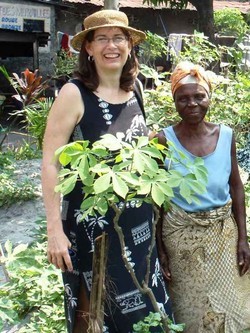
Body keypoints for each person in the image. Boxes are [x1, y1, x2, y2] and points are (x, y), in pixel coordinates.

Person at [41, 9, 173, 333]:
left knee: (144, 308)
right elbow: (49, 162)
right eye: (102, 39)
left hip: (137, 227)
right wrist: (54, 231)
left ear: (129, 45)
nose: (110, 46)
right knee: (94, 314)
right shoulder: (74, 94)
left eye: (118, 38)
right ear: (88, 48)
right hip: (93, 230)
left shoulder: (135, 89)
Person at [155, 61, 250, 332]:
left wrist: (243, 238)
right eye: (183, 98)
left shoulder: (226, 135)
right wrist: (160, 246)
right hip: (181, 237)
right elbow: (159, 198)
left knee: (230, 303)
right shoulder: (163, 140)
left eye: (199, 96)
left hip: (223, 234)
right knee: (190, 309)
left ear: (209, 98)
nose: (192, 104)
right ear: (174, 102)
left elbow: (236, 186)